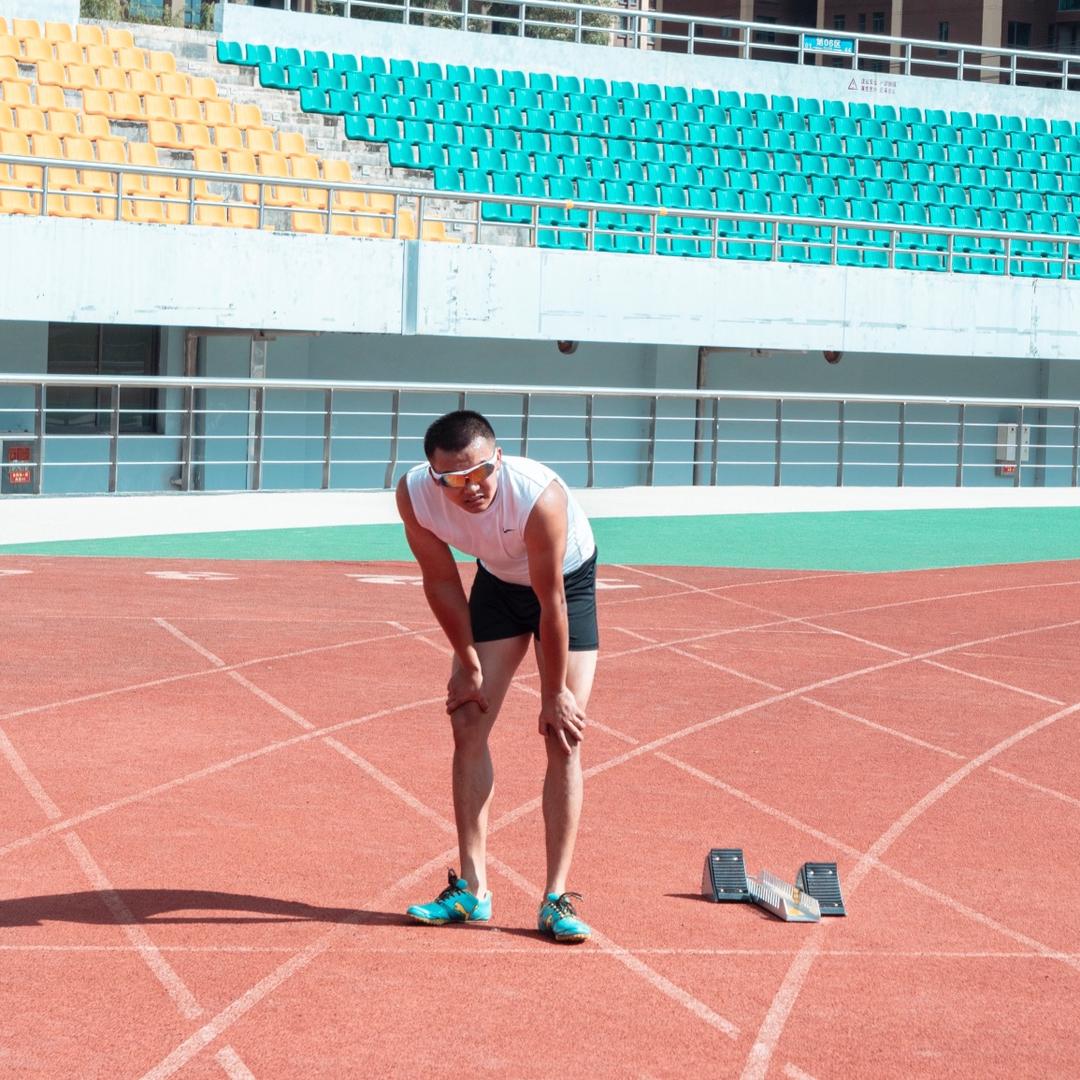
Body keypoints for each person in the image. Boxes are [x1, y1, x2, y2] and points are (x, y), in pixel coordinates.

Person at [396, 410, 599, 943]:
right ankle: (472, 888)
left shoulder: (539, 497)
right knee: (467, 719)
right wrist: (466, 660)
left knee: (563, 736)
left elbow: (550, 604)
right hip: (497, 581)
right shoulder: (415, 496)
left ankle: (556, 897)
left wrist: (554, 693)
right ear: (433, 475)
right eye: (454, 480)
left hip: (564, 587)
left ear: (499, 458)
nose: (471, 488)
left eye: (481, 472)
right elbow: (440, 582)